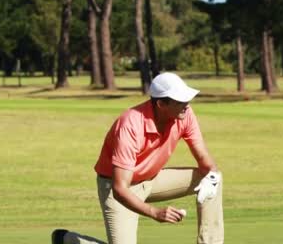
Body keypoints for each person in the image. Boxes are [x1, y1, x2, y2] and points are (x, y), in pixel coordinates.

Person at [51, 72, 223, 244]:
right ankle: (67, 240)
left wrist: (212, 173)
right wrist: (155, 212)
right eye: (180, 101)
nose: (186, 105)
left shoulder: (185, 115)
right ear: (161, 103)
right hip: (117, 188)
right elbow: (120, 189)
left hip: (152, 180)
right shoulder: (130, 125)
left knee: (211, 178)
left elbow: (205, 160)